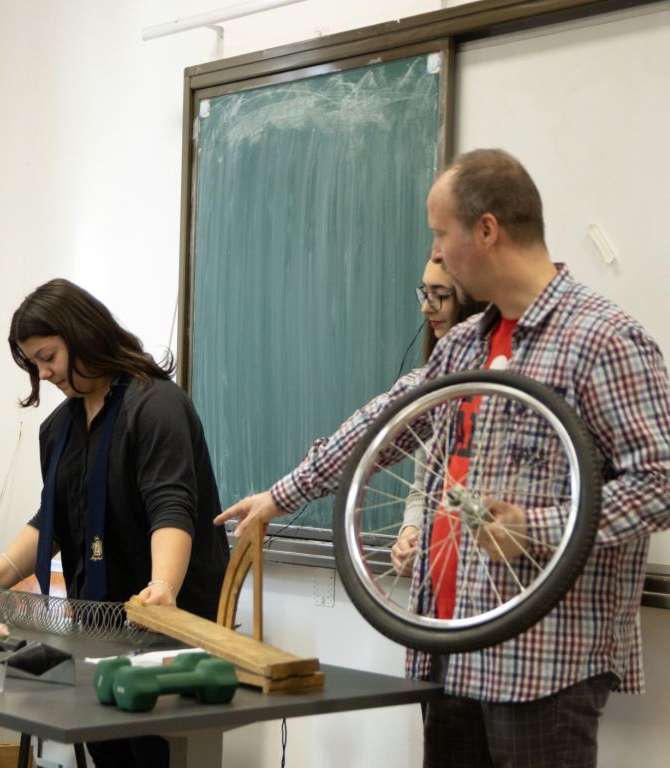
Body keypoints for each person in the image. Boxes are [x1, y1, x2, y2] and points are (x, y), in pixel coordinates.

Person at [215, 149, 670, 767]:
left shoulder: (604, 339)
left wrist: (536, 527)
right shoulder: (465, 345)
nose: (436, 253)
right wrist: (280, 496)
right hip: (445, 648)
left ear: (486, 230)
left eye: (440, 234)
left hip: (541, 662)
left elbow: (658, 484)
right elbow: (382, 427)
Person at [0, 278, 230, 768]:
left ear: (83, 334)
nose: (44, 373)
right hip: (97, 632)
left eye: (48, 356)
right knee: (109, 755)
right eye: (34, 364)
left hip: (170, 631)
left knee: (162, 755)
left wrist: (163, 589)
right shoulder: (59, 429)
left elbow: (172, 506)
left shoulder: (155, 406)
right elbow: (51, 522)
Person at [391, 261, 485, 577]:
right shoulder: (429, 387)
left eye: (440, 295)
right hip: (436, 584)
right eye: (425, 293)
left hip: (484, 577)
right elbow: (423, 488)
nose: (426, 307)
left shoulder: (503, 389)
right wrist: (410, 534)